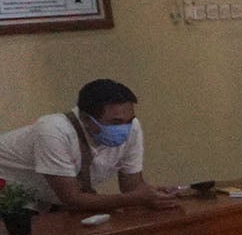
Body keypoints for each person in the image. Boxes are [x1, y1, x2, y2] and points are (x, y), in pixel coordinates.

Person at [0, 79, 179, 214]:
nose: (124, 128)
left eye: (129, 120)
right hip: (8, 194)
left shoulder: (132, 127)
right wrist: (135, 198)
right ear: (86, 119)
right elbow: (72, 199)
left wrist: (154, 196)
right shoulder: (53, 131)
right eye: (115, 122)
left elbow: (131, 187)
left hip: (45, 196)